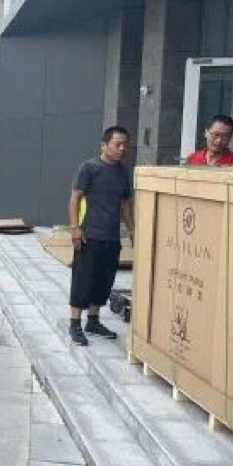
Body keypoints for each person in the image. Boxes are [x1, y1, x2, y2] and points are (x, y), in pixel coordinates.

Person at [67, 126, 135, 347]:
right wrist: (74, 228)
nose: (122, 149)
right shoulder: (89, 167)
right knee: (83, 279)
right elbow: (75, 197)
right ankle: (75, 324)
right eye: (117, 144)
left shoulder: (123, 172)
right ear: (104, 145)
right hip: (90, 235)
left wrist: (132, 229)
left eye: (125, 145)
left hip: (111, 237)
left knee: (104, 280)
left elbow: (125, 203)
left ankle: (93, 321)